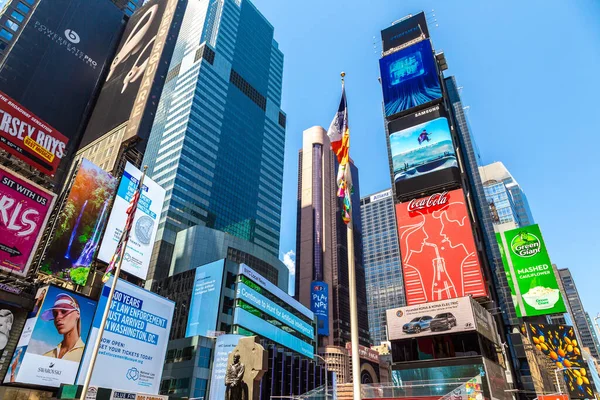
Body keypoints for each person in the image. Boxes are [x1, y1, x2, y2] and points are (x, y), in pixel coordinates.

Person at [41, 293, 85, 362]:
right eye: (55, 314)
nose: (58, 317)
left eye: (64, 311)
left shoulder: (86, 355)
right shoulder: (46, 356)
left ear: (78, 314)